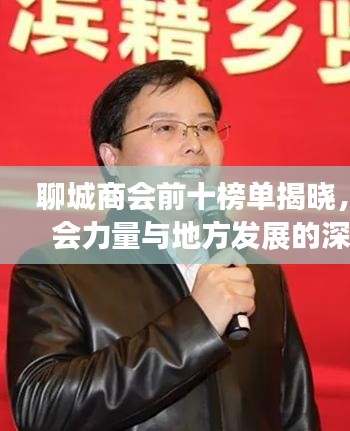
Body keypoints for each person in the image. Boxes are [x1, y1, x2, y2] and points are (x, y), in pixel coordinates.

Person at [7, 60, 320, 430]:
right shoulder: (57, 268)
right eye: (166, 128)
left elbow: (295, 416)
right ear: (112, 158)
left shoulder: (258, 274)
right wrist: (196, 324)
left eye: (205, 127)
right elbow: (41, 409)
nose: (194, 144)